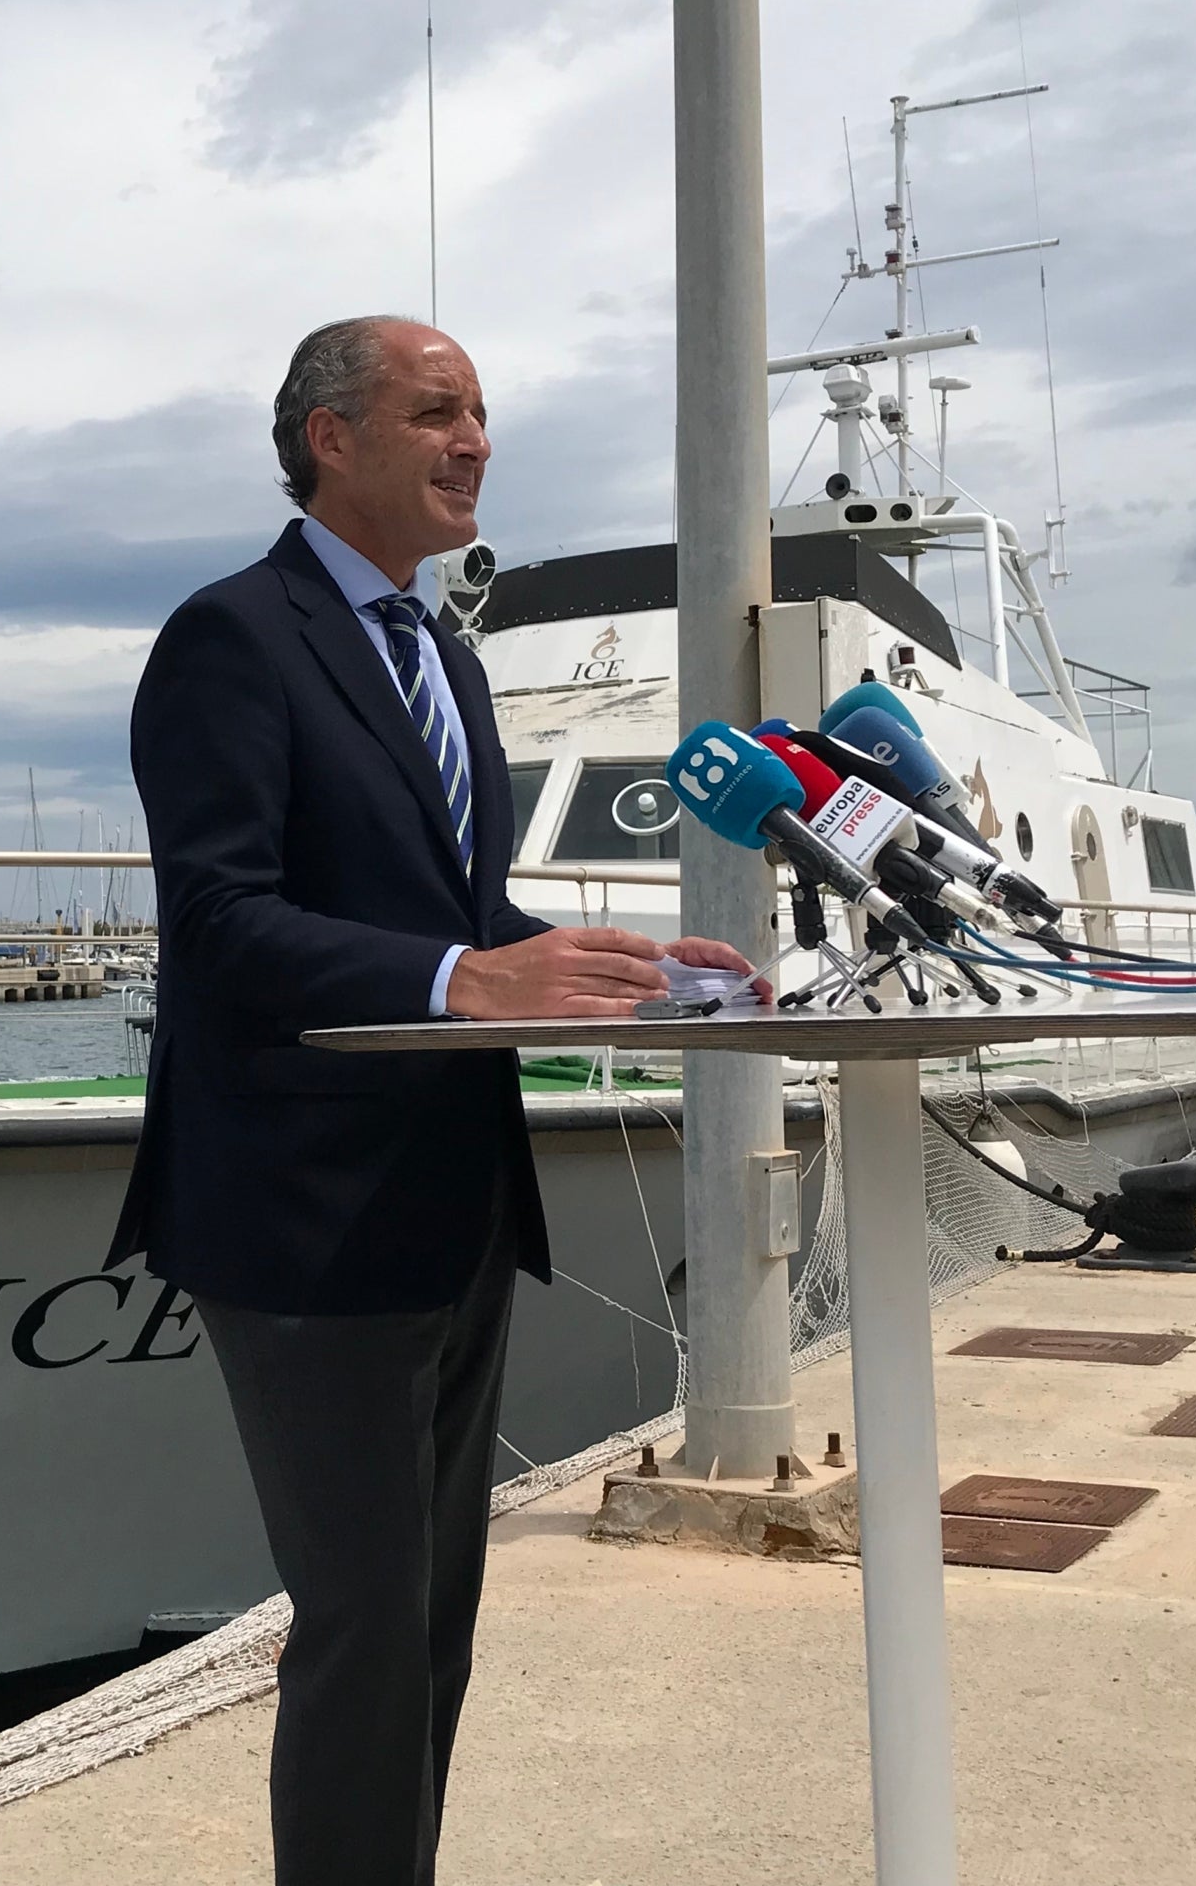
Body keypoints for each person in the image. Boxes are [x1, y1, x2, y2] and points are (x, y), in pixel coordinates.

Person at [108, 315, 765, 1886]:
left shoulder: (444, 659)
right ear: (331, 438)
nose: (474, 441)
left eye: (481, 414)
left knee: (436, 1635)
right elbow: (215, 922)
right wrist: (471, 983)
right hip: (305, 1220)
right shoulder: (232, 637)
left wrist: (604, 963)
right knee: (362, 1636)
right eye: (436, 412)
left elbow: (456, 915)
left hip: (456, 1210)